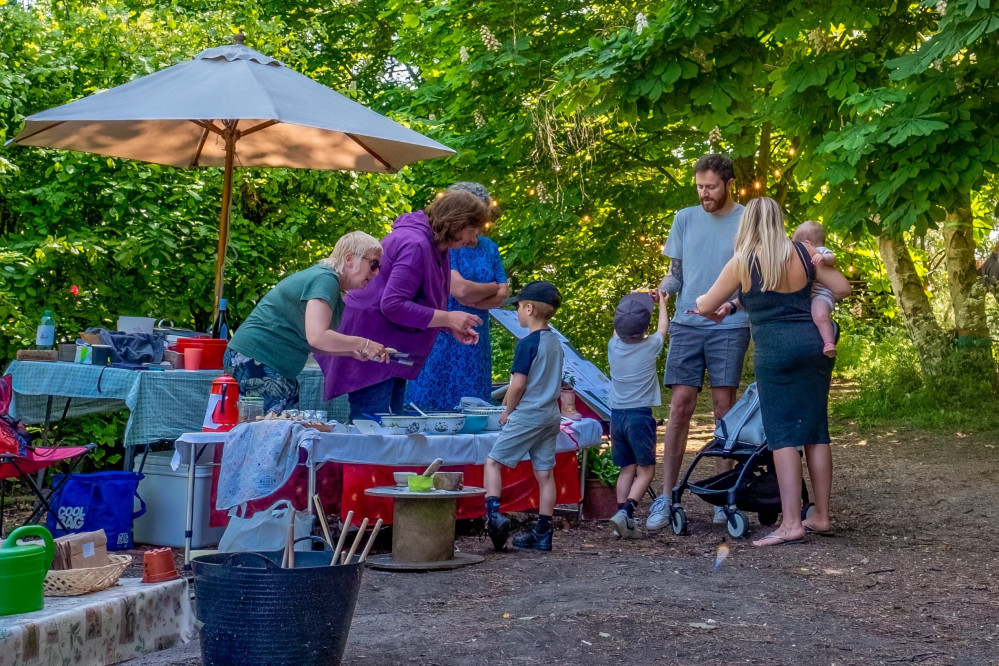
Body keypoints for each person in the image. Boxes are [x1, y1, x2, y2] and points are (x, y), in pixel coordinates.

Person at [694, 196, 851, 546]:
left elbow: (704, 304)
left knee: (782, 436)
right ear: (779, 221)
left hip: (775, 352)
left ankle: (792, 523)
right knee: (815, 430)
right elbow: (842, 288)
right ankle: (821, 516)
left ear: (747, 224)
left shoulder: (742, 262)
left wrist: (712, 308)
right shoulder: (801, 252)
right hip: (813, 347)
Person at [646, 154, 752, 532]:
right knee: (679, 406)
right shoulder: (684, 218)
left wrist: (734, 303)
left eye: (711, 187)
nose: (705, 194)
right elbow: (676, 275)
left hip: (730, 324)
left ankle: (725, 496)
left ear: (728, 184)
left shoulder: (746, 221)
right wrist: (660, 290)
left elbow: (754, 277)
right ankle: (668, 493)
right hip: (687, 324)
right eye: (700, 188)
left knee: (725, 407)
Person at [321, 189, 490, 419]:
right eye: (472, 230)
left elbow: (422, 300)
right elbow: (392, 304)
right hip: (373, 345)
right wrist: (448, 318)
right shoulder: (415, 243)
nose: (473, 239)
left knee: (392, 426)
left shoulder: (437, 246)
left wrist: (447, 325)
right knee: (376, 429)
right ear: (456, 222)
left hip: (394, 350)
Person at [224, 231, 389, 415]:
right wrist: (363, 344)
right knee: (273, 435)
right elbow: (317, 338)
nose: (377, 272)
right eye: (373, 264)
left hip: (264, 362)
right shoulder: (325, 279)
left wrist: (352, 351)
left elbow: (316, 343)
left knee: (281, 432)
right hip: (258, 359)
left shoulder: (328, 281)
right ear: (349, 258)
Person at [407, 182, 508, 410]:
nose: (479, 227)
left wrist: (476, 294)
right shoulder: (446, 244)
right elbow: (460, 292)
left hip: (476, 338)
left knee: (475, 407)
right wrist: (491, 286)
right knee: (431, 402)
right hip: (441, 334)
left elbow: (503, 294)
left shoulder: (489, 247)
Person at [483, 281, 564, 553]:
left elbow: (518, 384)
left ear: (529, 308)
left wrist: (507, 412)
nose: (516, 311)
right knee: (545, 473)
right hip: (551, 415)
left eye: (518, 306)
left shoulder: (527, 344)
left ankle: (494, 517)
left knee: (493, 462)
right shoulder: (555, 342)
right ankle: (543, 532)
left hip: (528, 414)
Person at [606, 289, 668, 539]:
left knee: (626, 468)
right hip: (639, 417)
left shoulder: (613, 346)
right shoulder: (650, 346)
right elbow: (663, 328)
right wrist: (662, 302)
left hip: (616, 417)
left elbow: (617, 329)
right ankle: (627, 512)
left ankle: (622, 517)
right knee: (646, 470)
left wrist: (631, 300)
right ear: (644, 330)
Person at [791, 221, 839, 357]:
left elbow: (832, 258)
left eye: (799, 246)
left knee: (820, 315)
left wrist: (823, 258)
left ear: (808, 243)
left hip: (821, 294)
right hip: (810, 294)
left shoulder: (820, 251)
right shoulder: (804, 256)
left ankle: (829, 343)